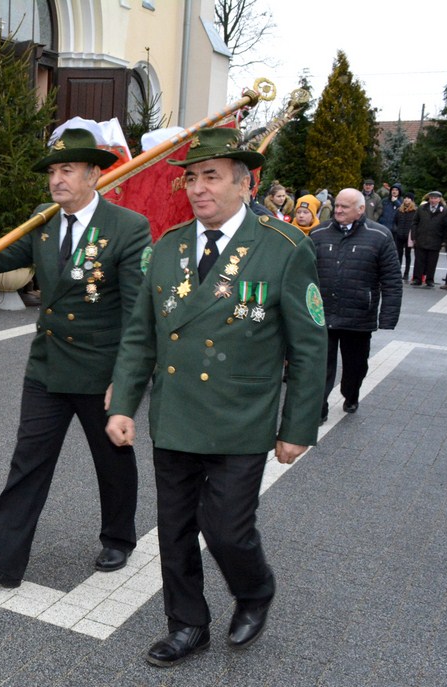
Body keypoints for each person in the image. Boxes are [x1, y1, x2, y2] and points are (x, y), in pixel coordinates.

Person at [105, 126, 327, 668]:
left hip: (240, 416)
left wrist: (297, 428)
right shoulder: (169, 246)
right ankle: (187, 624)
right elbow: (142, 333)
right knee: (176, 530)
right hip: (177, 414)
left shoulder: (282, 248)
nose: (198, 188)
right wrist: (122, 404)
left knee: (227, 527)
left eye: (211, 177)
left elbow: (309, 345)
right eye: (191, 178)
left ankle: (254, 589)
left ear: (245, 184)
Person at [0, 127, 152, 588]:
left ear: (94, 173)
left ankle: (118, 537)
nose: (57, 179)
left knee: (111, 459)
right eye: (53, 171)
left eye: (67, 169)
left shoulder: (127, 228)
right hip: (48, 367)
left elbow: (137, 315)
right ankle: (2, 561)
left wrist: (126, 384)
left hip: (100, 372)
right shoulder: (44, 219)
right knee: (27, 462)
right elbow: (1, 251)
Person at [309, 188, 402, 421]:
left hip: (359, 317)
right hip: (323, 315)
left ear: (361, 210)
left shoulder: (380, 236)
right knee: (320, 368)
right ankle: (318, 408)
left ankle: (351, 394)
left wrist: (387, 318)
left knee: (356, 367)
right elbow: (304, 275)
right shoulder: (318, 233)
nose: (338, 210)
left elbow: (391, 280)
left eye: (344, 207)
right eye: (337, 205)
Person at [411, 190, 447, 287]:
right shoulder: (422, 208)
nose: (433, 200)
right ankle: (417, 279)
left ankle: (430, 279)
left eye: (435, 198)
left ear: (439, 199)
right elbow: (414, 222)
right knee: (419, 260)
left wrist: (444, 240)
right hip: (421, 238)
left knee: (432, 261)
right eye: (431, 198)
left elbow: (446, 226)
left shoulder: (444, 210)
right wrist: (414, 236)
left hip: (436, 239)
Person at [394, 195, 417, 281]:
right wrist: (397, 230)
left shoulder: (414, 211)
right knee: (399, 254)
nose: (406, 200)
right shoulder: (399, 210)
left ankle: (406, 273)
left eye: (409, 198)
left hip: (409, 236)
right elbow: (395, 221)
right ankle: (398, 271)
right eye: (405, 198)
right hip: (399, 234)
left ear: (412, 200)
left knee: (408, 255)